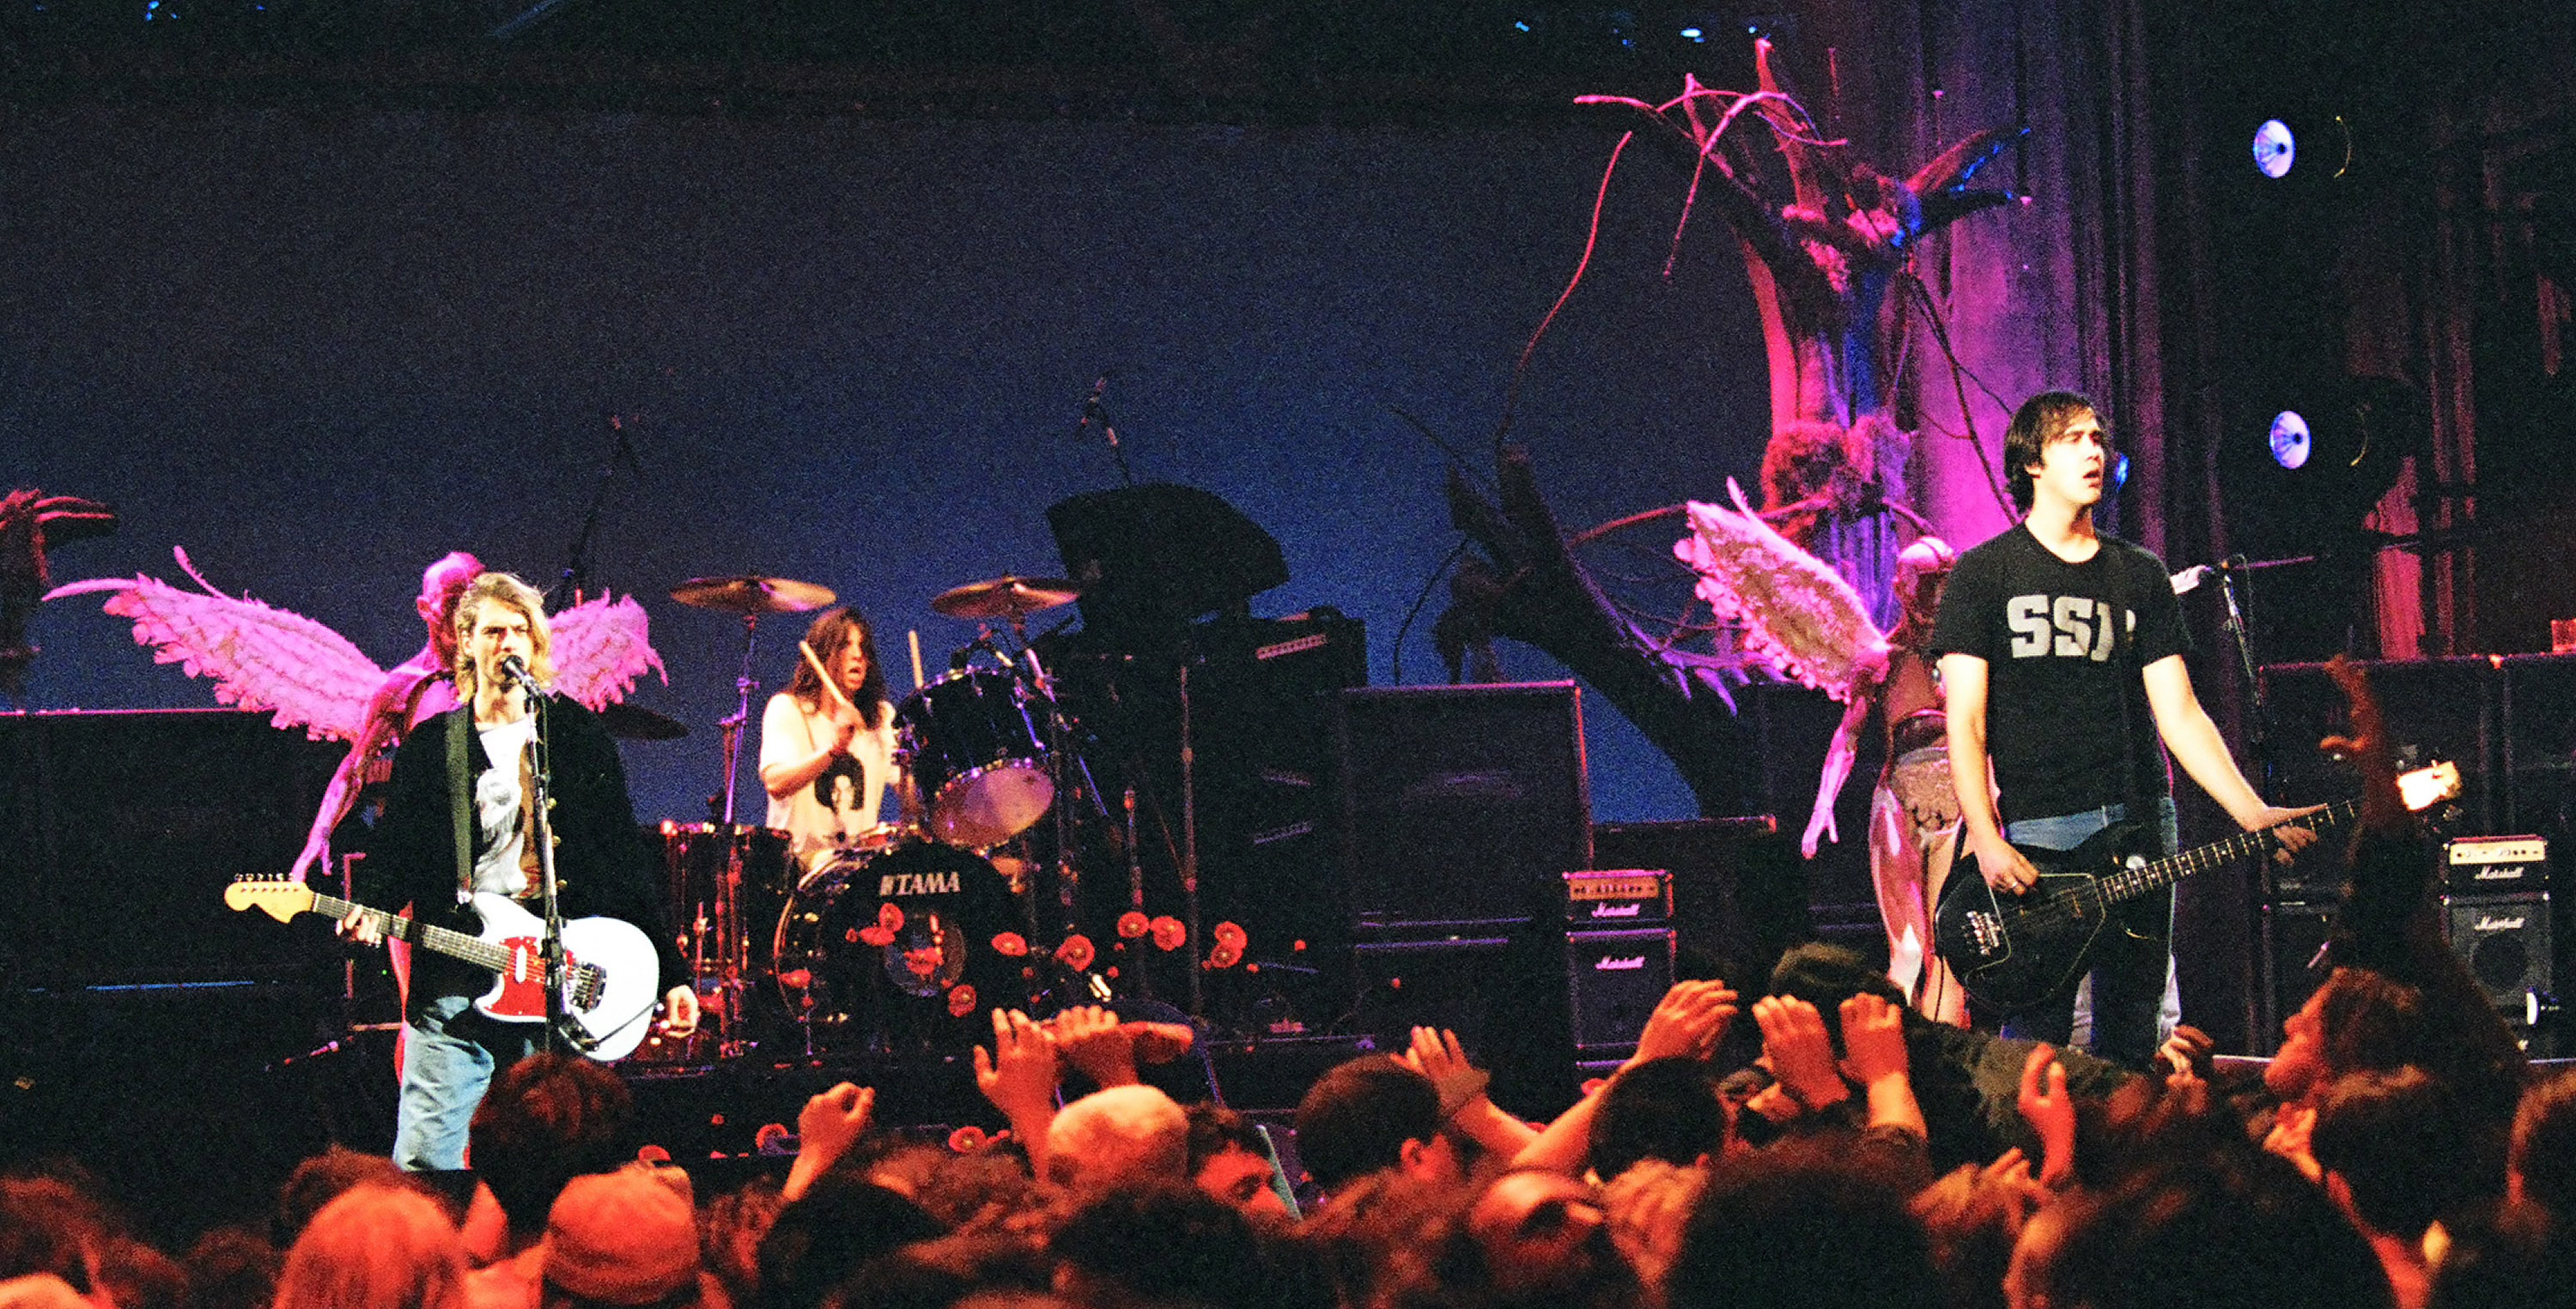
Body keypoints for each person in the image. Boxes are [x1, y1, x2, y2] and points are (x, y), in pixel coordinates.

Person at [1929, 391, 2315, 1067]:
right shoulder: (1984, 574)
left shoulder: (2138, 573)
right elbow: (1964, 719)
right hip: (2041, 831)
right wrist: (1986, 838)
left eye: (2098, 439)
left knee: (2133, 1032)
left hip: (2142, 823)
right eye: (2072, 439)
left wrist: (2250, 810)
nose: (2093, 452)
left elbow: (2181, 712)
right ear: (2031, 462)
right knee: (2038, 1040)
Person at [348, 571, 695, 1171]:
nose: (507, 643)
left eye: (519, 631)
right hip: (456, 981)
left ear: (536, 647)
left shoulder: (577, 736)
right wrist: (371, 907)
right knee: (427, 1166)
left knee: (558, 1167)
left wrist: (672, 972)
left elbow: (623, 860)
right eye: (492, 631)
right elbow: (395, 853)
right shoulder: (434, 745)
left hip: (553, 984)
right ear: (466, 643)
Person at [1805, 535, 1965, 1022]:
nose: (1935, 600)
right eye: (1926, 588)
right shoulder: (1881, 660)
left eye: (1943, 586)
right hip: (1900, 798)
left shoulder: (1966, 656)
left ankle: (1949, 1058)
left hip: (1962, 802)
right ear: (1903, 589)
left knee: (1954, 948)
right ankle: (1898, 1048)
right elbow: (1846, 739)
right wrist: (1821, 808)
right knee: (1912, 949)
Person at [291, 551, 483, 883]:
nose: (464, 613)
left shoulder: (500, 672)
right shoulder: (403, 686)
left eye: (476, 600)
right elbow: (354, 769)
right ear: (426, 608)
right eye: (453, 601)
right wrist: (318, 837)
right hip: (430, 846)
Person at [759, 607, 903, 864]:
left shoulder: (881, 718)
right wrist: (834, 750)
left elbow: (909, 798)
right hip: (795, 867)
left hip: (856, 869)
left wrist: (922, 765)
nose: (858, 655)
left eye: (863, 647)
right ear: (824, 654)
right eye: (846, 646)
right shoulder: (788, 709)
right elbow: (776, 783)